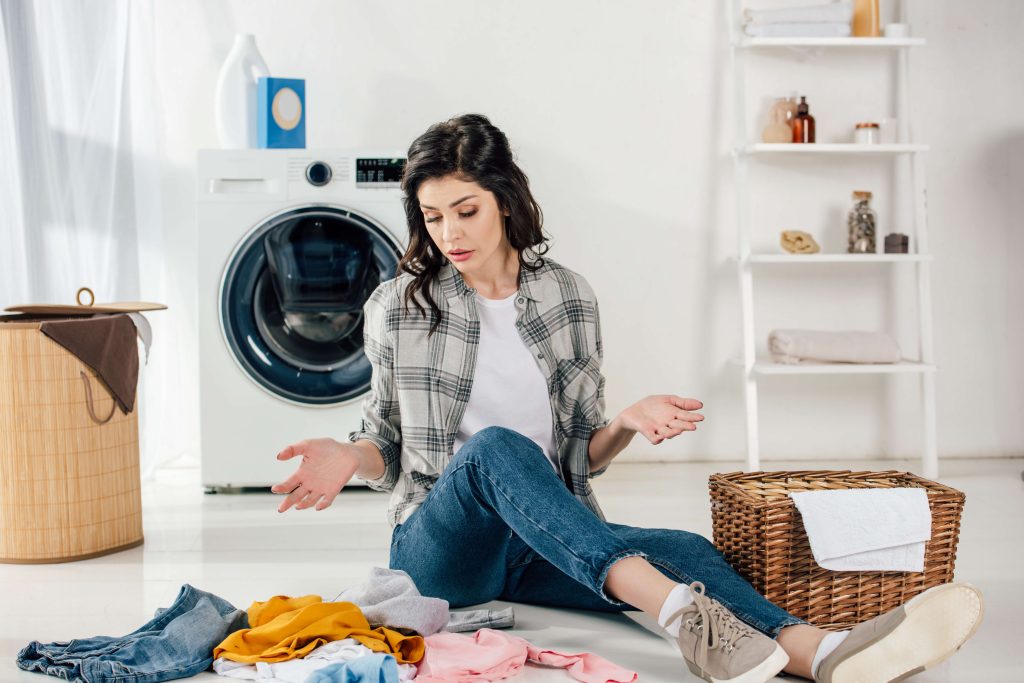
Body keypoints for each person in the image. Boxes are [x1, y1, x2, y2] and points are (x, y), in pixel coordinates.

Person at [272, 114, 983, 683]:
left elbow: (584, 452)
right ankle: (680, 614)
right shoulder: (399, 304)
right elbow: (386, 444)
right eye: (432, 218)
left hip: (542, 539)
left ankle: (820, 652)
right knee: (496, 450)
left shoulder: (567, 297)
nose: (449, 233)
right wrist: (350, 455)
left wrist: (626, 423)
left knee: (686, 547)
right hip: (441, 549)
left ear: (505, 202)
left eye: (465, 210)